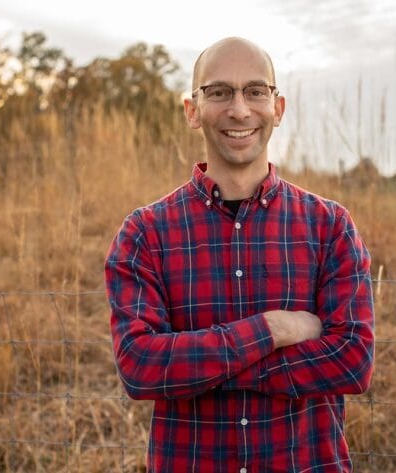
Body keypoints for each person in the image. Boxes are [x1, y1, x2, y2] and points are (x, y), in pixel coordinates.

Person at [104, 37, 374, 472]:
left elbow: (353, 361)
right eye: (219, 92)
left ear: (278, 108)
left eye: (255, 91)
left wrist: (210, 366)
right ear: (192, 111)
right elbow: (140, 365)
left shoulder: (329, 226)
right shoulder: (145, 233)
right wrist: (271, 329)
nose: (240, 110)